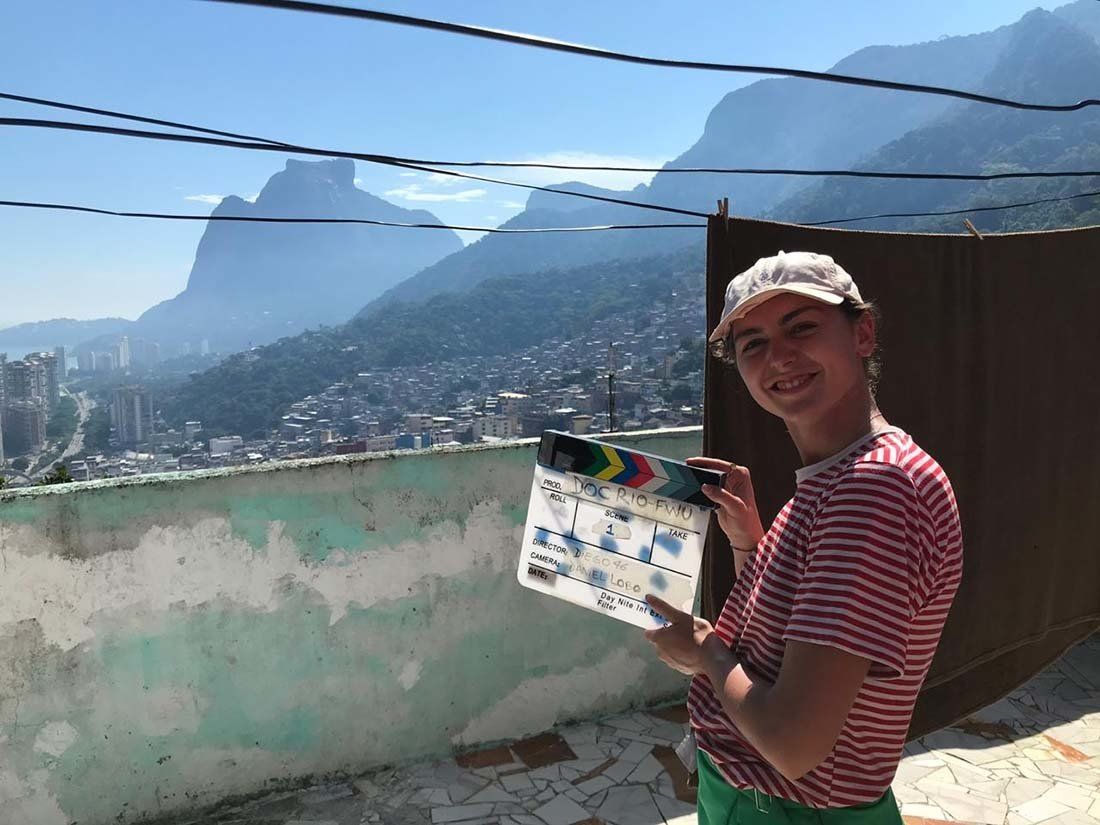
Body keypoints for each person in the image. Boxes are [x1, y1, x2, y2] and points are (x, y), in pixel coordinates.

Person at [644, 251, 963, 824]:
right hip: (759, 797)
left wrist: (707, 652)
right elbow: (789, 639)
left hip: (791, 809)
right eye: (754, 344)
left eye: (803, 328)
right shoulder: (838, 477)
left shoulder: (874, 488)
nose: (780, 357)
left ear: (862, 333)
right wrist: (750, 542)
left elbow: (794, 745)